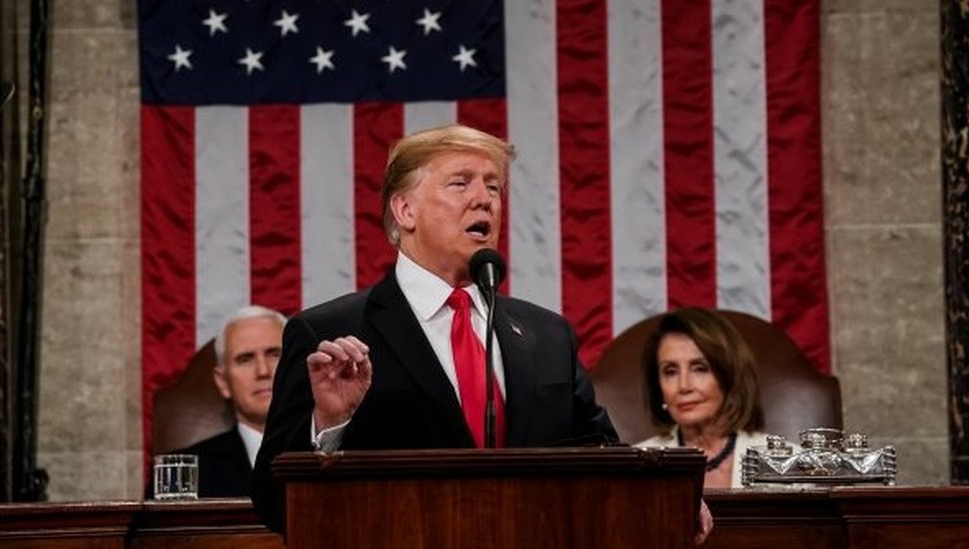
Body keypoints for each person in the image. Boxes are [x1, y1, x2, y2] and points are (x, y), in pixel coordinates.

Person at [251, 124, 622, 522]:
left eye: (493, 187)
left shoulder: (548, 335)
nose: (484, 200)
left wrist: (669, 498)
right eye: (461, 183)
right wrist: (328, 426)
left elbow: (604, 454)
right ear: (405, 210)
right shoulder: (328, 334)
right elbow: (274, 505)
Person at [634, 307, 773, 489]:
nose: (684, 386)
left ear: (729, 376)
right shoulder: (636, 468)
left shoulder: (787, 464)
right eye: (670, 371)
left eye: (700, 368)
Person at [172, 305, 286, 497]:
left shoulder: (334, 454)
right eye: (245, 359)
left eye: (275, 354)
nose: (263, 371)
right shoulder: (182, 475)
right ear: (223, 382)